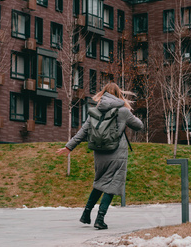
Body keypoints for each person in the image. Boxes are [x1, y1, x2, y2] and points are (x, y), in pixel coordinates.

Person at [57, 83, 143, 230]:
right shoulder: (123, 111)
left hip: (99, 153)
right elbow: (139, 126)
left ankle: (86, 214)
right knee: (112, 185)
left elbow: (83, 132)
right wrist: (129, 114)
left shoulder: (95, 112)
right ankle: (100, 219)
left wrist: (68, 147)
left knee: (99, 182)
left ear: (103, 94)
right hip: (117, 153)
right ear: (118, 94)